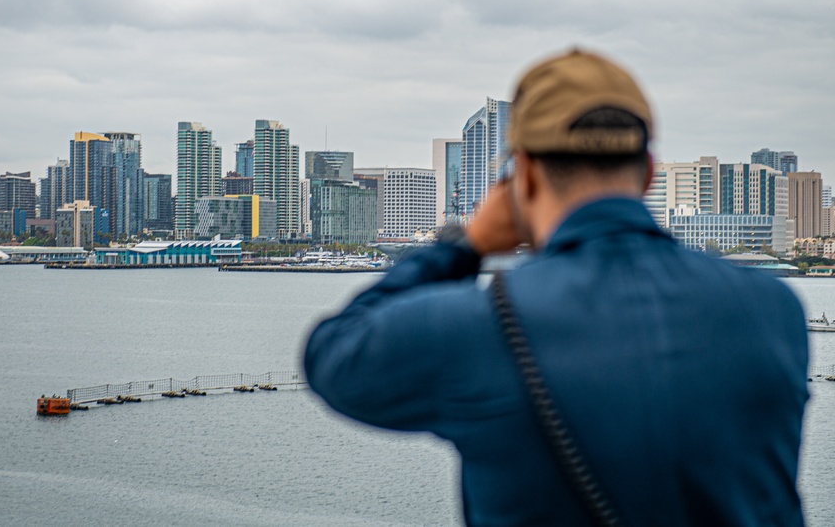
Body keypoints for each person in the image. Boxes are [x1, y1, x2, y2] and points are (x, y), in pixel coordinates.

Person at [304, 49, 808, 526]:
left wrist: (466, 244)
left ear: (521, 177)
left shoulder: (481, 328)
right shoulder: (773, 312)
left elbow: (334, 356)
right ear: (649, 172)